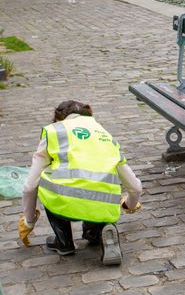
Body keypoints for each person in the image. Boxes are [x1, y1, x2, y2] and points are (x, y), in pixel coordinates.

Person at [18, 100, 143, 265]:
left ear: (58, 119)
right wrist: (129, 205)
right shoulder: (105, 135)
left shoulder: (55, 132)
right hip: (102, 203)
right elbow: (135, 187)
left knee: (44, 180)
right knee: (98, 188)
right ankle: (96, 232)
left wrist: (29, 221)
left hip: (64, 202)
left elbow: (29, 186)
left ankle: (64, 242)